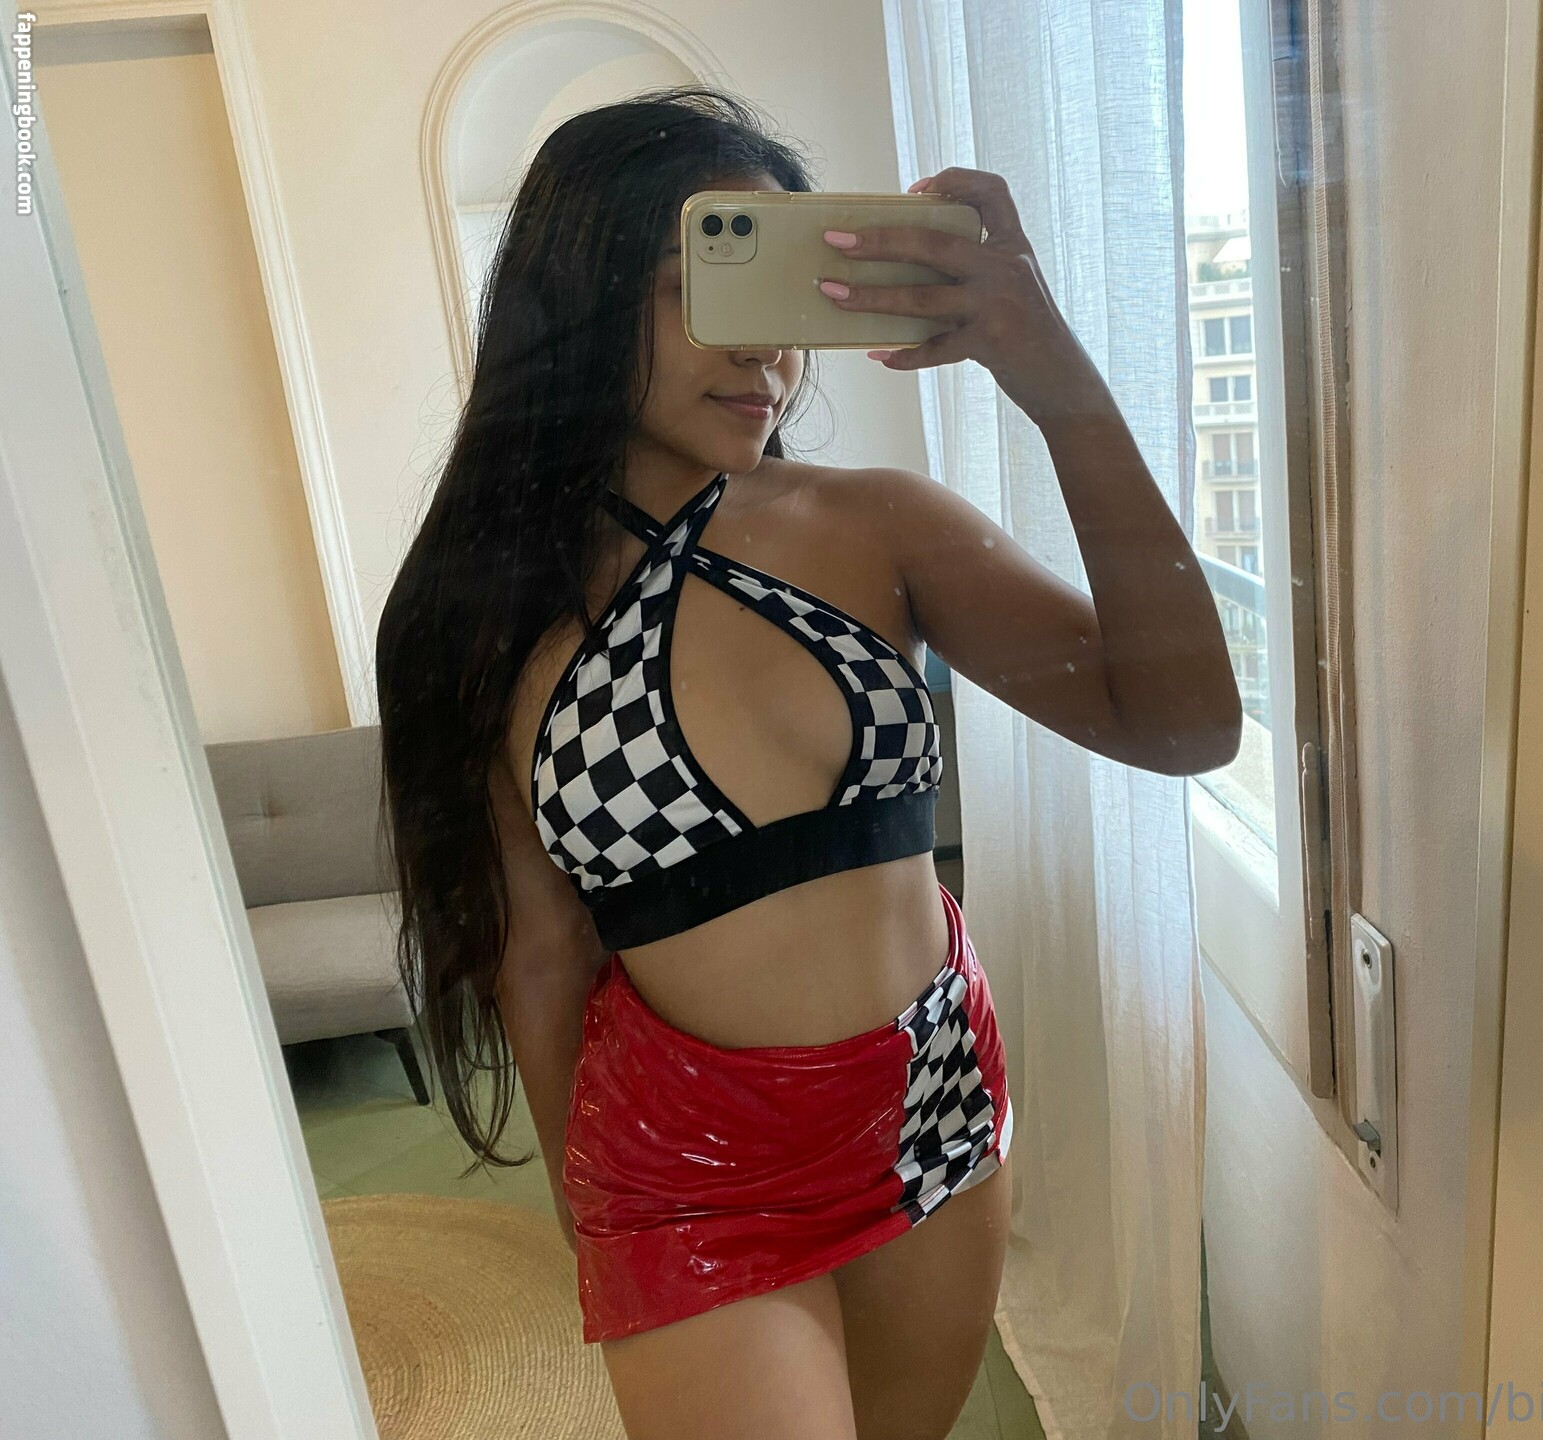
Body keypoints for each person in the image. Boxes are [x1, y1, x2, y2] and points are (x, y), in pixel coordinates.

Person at [375, 86, 1239, 1440]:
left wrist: (1057, 382)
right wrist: (590, 1224)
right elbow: (540, 956)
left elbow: (1185, 725)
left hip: (928, 1099)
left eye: (784, 294)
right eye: (700, 286)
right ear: (579, 296)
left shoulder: (879, 527)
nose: (763, 347)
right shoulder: (484, 613)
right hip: (684, 1159)